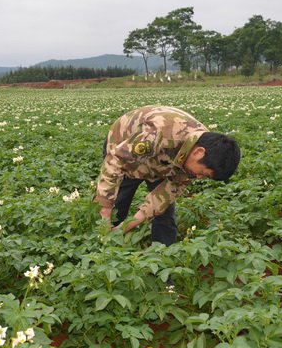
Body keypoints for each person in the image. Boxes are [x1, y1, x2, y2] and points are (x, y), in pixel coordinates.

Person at [94, 105, 240, 245]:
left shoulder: (206, 152)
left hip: (165, 163)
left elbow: (161, 200)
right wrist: (105, 209)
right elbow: (116, 160)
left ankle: (162, 255)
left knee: (164, 214)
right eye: (202, 173)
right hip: (125, 147)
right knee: (116, 205)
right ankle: (101, 245)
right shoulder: (160, 133)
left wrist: (126, 227)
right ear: (198, 152)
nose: (199, 177)